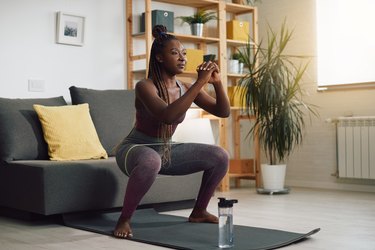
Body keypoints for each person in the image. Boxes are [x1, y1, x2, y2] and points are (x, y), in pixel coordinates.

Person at [113, 25, 230, 238]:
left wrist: (218, 83)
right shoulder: (145, 86)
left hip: (165, 150)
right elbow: (167, 115)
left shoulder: (185, 88)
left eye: (184, 53)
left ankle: (199, 211)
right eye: (174, 53)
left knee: (220, 156)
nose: (182, 58)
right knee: (150, 161)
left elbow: (223, 112)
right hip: (135, 148)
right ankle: (124, 219)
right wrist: (199, 83)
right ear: (159, 58)